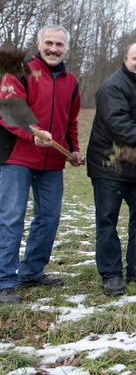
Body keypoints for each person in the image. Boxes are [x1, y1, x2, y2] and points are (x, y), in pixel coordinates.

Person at [0, 26, 83, 305]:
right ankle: (4, 281)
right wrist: (33, 132)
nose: (54, 48)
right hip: (17, 157)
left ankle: (31, 271)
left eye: (59, 44)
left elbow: (70, 121)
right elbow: (10, 110)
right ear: (39, 43)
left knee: (49, 217)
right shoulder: (20, 70)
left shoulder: (71, 81)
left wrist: (73, 149)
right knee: (12, 218)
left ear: (66, 49)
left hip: (52, 160)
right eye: (49, 43)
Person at [86, 42, 136, 296]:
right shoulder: (112, 86)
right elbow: (117, 120)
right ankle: (111, 275)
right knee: (108, 219)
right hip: (110, 163)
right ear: (125, 59)